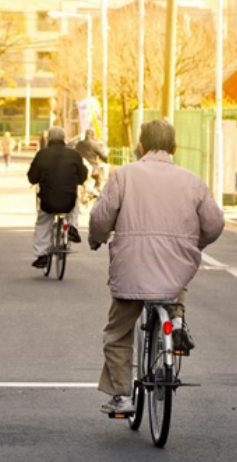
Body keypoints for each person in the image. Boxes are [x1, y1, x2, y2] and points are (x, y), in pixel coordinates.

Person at [88, 119, 224, 414]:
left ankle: (122, 397)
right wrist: (195, 244)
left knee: (117, 332)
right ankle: (176, 321)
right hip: (175, 267)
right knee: (174, 285)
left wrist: (96, 238)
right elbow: (214, 224)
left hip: (131, 268)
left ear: (141, 146)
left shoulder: (124, 175)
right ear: (174, 147)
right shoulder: (192, 181)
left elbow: (101, 218)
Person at [27, 126, 88, 268]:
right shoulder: (74, 154)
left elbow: (32, 177)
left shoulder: (42, 154)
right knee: (74, 204)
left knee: (43, 223)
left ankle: (42, 255)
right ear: (63, 138)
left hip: (47, 200)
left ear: (49, 138)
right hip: (68, 199)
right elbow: (82, 177)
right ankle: (72, 227)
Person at [75, 129, 109, 194]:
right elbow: (104, 157)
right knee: (102, 173)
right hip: (93, 170)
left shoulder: (79, 144)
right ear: (93, 136)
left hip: (80, 170)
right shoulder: (94, 144)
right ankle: (98, 189)